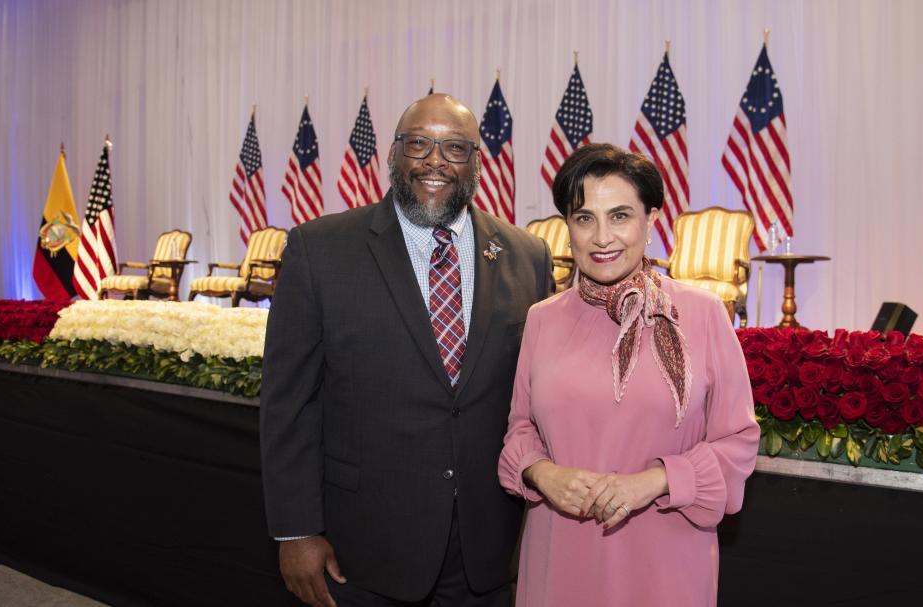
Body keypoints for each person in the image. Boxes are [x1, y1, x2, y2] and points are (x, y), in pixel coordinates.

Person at [261, 94, 555, 607]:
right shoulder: (320, 249)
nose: (435, 161)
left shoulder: (527, 256)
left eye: (454, 148)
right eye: (419, 143)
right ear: (394, 155)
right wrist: (294, 531)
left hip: (486, 550)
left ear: (477, 163)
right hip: (364, 550)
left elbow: (540, 395)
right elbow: (289, 403)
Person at [498, 143, 761, 607]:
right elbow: (520, 430)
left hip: (664, 559)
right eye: (584, 219)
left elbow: (737, 442)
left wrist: (656, 481)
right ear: (568, 229)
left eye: (619, 216)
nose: (602, 237)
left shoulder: (701, 315)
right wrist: (542, 473)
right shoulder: (542, 318)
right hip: (560, 557)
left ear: (651, 220)